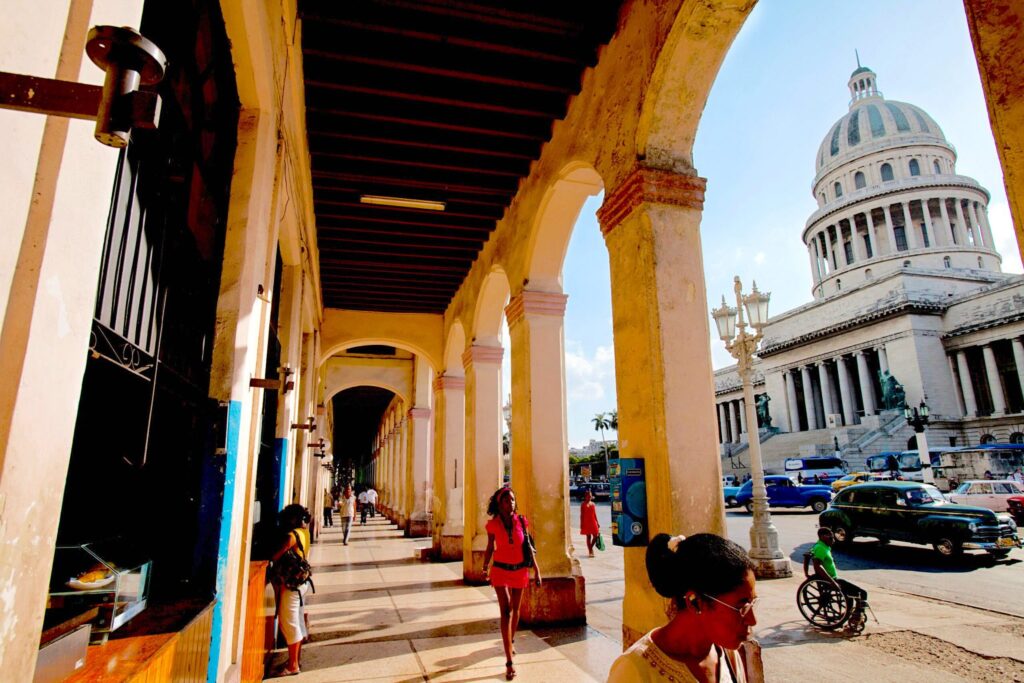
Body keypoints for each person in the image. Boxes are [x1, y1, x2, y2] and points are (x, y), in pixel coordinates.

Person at [608, 533, 759, 682]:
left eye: (753, 604)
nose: (752, 620)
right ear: (695, 603)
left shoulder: (728, 656)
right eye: (741, 607)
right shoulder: (634, 671)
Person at [482, 487, 541, 681]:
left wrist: (537, 571)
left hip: (520, 570)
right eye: (507, 501)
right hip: (500, 570)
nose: (511, 504)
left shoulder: (521, 521)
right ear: (499, 504)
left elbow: (529, 548)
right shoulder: (493, 525)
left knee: (516, 610)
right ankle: (509, 662)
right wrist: (485, 567)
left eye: (513, 500)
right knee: (506, 611)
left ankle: (510, 640)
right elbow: (490, 547)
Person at [271, 504, 312, 676]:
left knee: (289, 623)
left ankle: (293, 665)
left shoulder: (292, 536)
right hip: (302, 583)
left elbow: (275, 555)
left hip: (292, 585)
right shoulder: (305, 533)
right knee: (297, 621)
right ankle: (295, 659)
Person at [806, 527, 868, 630]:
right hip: (830, 580)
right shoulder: (820, 548)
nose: (833, 539)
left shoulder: (823, 546)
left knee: (857, 593)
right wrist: (832, 582)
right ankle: (856, 617)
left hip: (832, 579)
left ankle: (856, 615)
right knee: (862, 593)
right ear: (822, 537)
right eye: (830, 536)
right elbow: (818, 566)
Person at [580, 488, 601, 557]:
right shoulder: (583, 504)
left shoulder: (593, 504)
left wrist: (597, 523)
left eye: (590, 496)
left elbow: (595, 514)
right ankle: (590, 551)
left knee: (596, 535)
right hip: (586, 522)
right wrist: (581, 524)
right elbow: (582, 515)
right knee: (588, 536)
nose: (589, 497)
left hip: (593, 521)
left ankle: (590, 548)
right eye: (588, 496)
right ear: (585, 496)